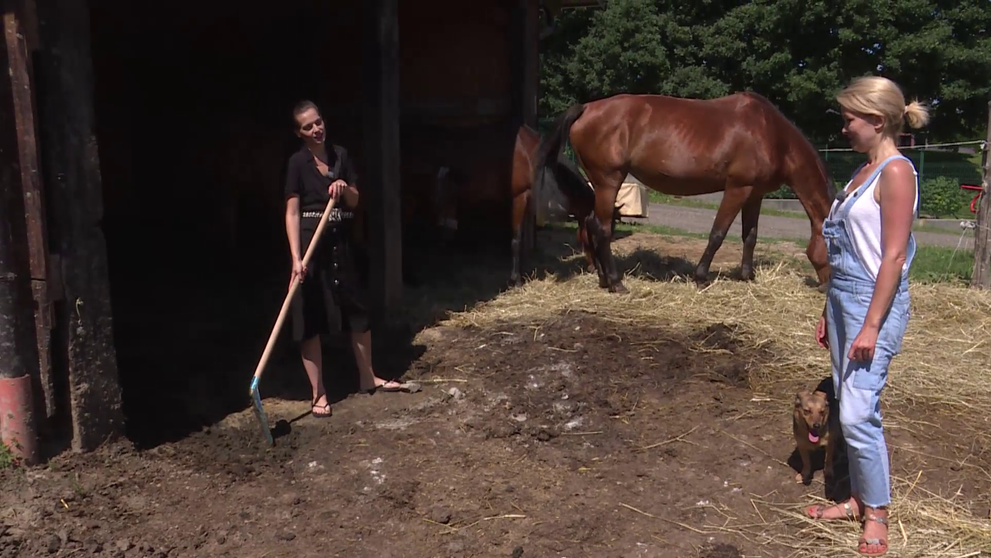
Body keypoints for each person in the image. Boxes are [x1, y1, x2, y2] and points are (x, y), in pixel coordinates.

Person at [807, 76, 929, 556]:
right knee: (846, 399)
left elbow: (893, 258)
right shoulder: (863, 172)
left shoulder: (896, 173)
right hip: (843, 301)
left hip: (873, 304)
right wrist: (827, 308)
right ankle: (856, 498)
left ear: (876, 121)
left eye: (849, 119)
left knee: (858, 412)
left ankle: (877, 512)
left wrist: (872, 325)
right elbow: (848, 251)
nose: (844, 128)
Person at [284, 99, 404, 418]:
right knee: (310, 318)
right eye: (308, 126)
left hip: (341, 243)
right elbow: (292, 211)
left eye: (318, 121)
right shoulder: (297, 164)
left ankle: (368, 377)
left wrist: (342, 188)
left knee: (358, 312)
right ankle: (318, 392)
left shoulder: (341, 155)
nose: (316, 129)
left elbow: (354, 199)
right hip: (311, 248)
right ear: (300, 133)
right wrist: (296, 258)